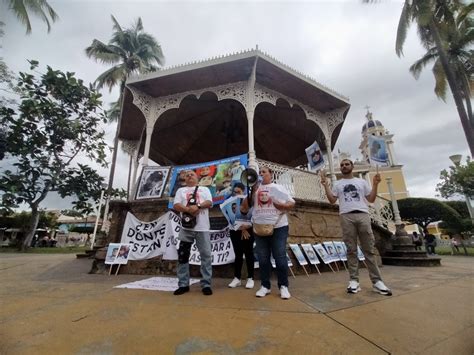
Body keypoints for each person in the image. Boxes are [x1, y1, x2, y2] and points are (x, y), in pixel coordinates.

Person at [321, 159, 392, 296]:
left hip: (363, 215)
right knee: (351, 249)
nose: (344, 166)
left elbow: (371, 199)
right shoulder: (338, 184)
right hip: (346, 216)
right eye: (342, 165)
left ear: (352, 167)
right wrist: (326, 186)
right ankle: (354, 280)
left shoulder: (362, 182)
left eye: (347, 164)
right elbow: (332, 200)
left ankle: (377, 281)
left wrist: (376, 184)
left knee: (369, 249)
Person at [241, 166, 295, 300]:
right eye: (259, 172)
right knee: (263, 259)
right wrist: (251, 192)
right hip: (259, 228)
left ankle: (283, 286)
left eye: (264, 172)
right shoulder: (255, 189)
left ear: (271, 174)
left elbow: (291, 203)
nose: (260, 174)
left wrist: (282, 206)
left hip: (278, 227)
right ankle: (265, 286)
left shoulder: (277, 188)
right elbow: (244, 209)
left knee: (279, 256)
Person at [173, 170, 214, 296]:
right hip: (186, 229)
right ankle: (183, 284)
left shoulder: (205, 189)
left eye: (192, 174)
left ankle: (206, 284)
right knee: (183, 255)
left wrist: (198, 207)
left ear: (197, 178)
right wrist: (188, 210)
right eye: (187, 175)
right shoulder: (180, 191)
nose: (190, 176)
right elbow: (176, 205)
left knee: (206, 255)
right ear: (184, 179)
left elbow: (209, 202)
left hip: (202, 228)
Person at [228, 182, 255, 289]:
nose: (236, 194)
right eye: (234, 192)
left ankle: (250, 278)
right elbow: (229, 215)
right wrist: (238, 227)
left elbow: (253, 214)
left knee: (249, 253)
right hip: (234, 230)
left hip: (248, 229)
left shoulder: (249, 200)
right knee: (238, 253)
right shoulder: (229, 201)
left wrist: (245, 227)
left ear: (243, 191)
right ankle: (237, 278)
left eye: (238, 192)